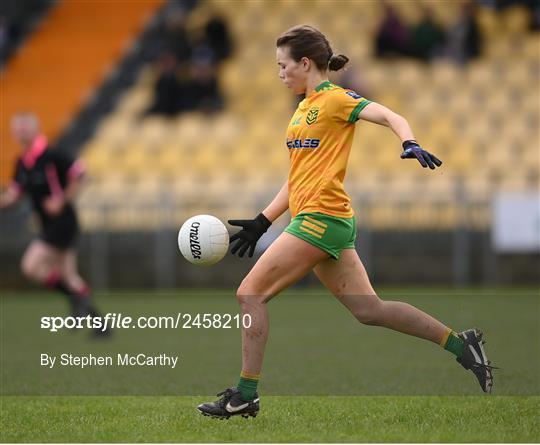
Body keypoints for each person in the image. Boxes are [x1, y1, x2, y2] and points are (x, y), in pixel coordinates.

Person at [197, 25, 494, 419]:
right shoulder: (302, 108)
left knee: (250, 294)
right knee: (369, 310)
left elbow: (389, 114)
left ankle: (245, 394)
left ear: (305, 63)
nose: (279, 73)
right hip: (324, 219)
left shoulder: (335, 99)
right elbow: (296, 177)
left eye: (283, 65)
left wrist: (409, 142)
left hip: (321, 219)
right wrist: (262, 221)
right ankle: (461, 344)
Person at [0, 112, 108, 336]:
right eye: (17, 129)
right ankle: (99, 324)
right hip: (49, 225)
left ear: (34, 129)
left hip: (63, 223)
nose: (20, 133)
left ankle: (76, 303)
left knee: (31, 266)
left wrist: (61, 200)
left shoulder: (51, 155)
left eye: (24, 128)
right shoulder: (22, 162)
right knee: (69, 277)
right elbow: (14, 194)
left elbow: (80, 174)